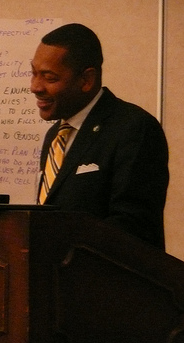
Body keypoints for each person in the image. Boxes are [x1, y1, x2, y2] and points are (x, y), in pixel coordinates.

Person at [31, 23, 169, 250]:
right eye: (34, 73)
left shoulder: (133, 128)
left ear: (87, 80)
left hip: (108, 281)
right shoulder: (54, 136)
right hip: (58, 280)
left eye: (49, 77)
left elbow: (133, 227)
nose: (35, 86)